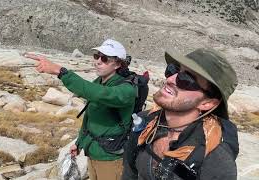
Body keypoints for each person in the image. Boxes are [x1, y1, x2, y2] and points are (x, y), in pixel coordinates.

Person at [25, 39, 137, 180]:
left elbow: (99, 93)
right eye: (97, 56)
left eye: (104, 58)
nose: (97, 61)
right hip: (93, 152)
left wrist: (60, 71)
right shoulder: (100, 81)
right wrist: (79, 143)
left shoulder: (126, 90)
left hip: (111, 158)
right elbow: (90, 117)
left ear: (118, 64)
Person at [122, 48, 239, 180]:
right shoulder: (145, 122)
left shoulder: (216, 159)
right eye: (174, 70)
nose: (171, 79)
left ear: (207, 103)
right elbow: (129, 172)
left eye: (186, 78)